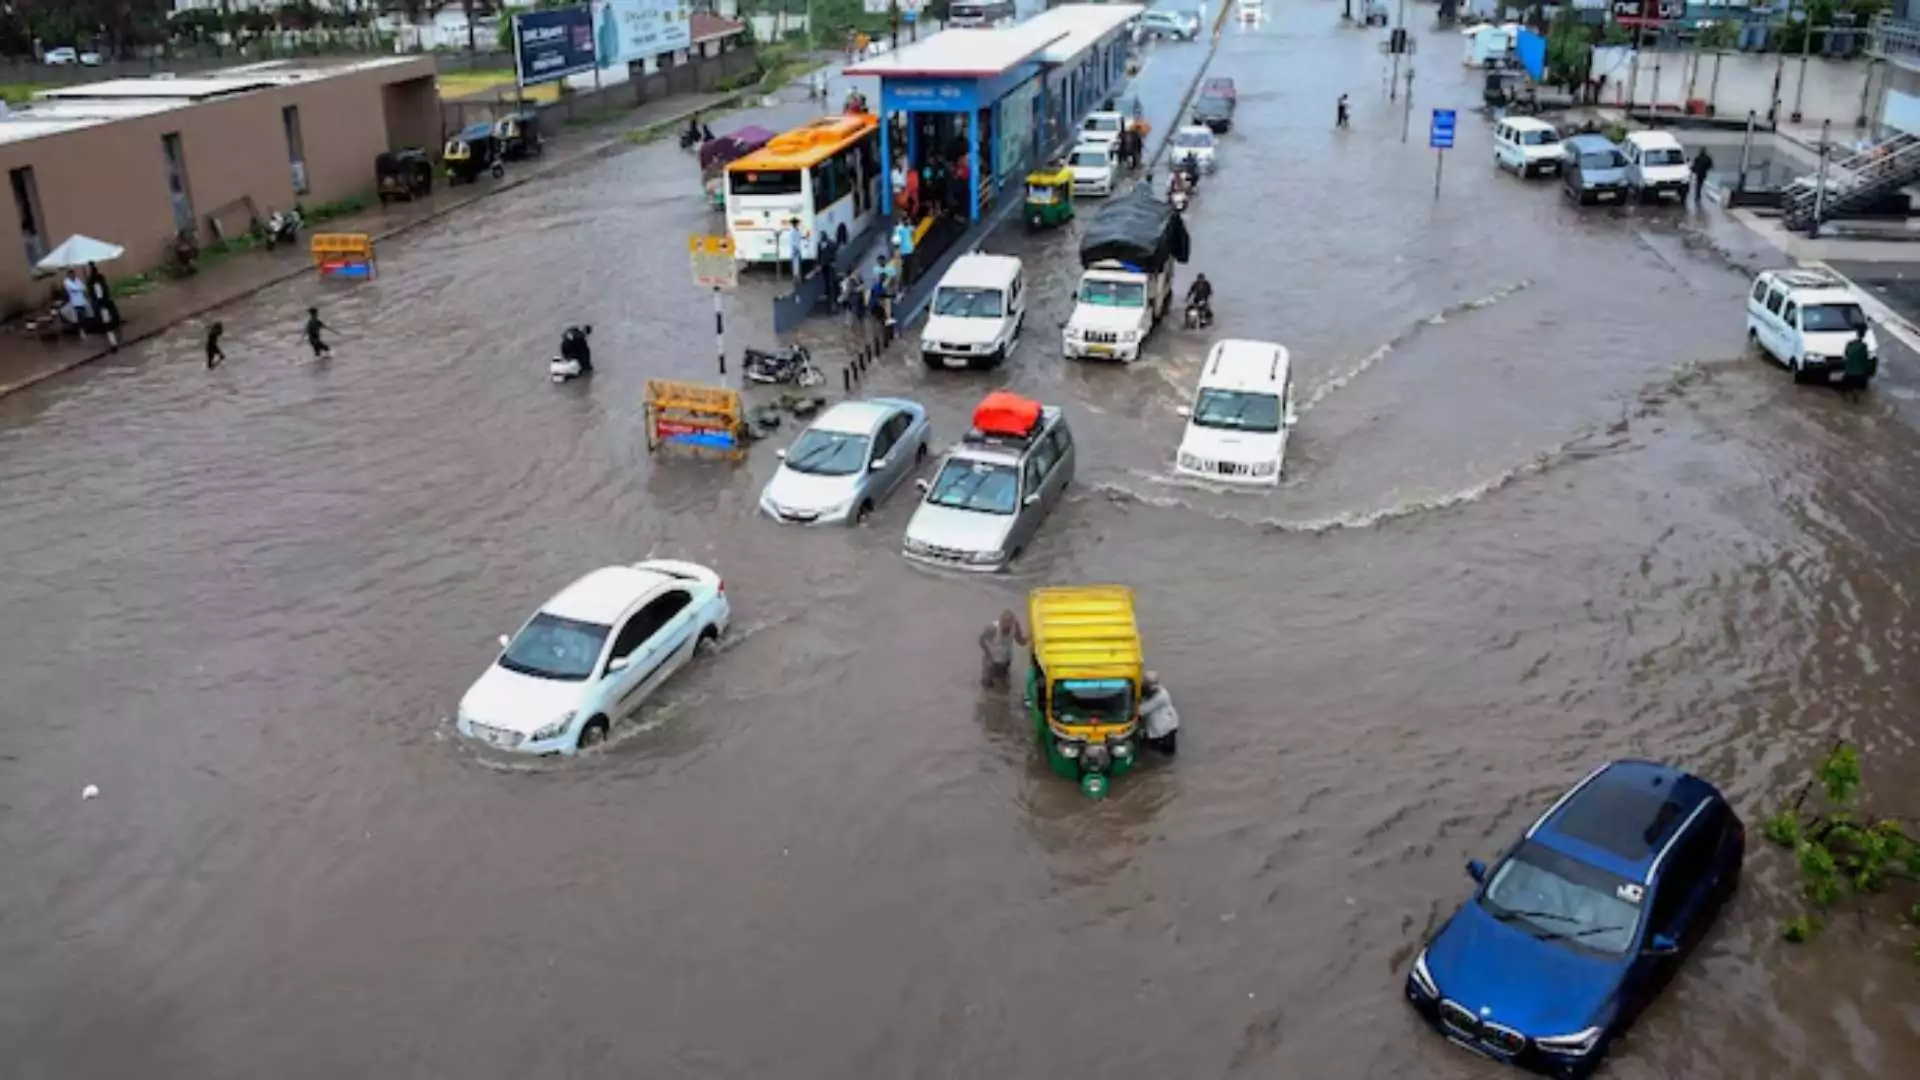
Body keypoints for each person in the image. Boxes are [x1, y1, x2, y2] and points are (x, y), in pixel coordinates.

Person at [979, 610, 1028, 689]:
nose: (1007, 626)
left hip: (1005, 660)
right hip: (991, 661)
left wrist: (1030, 638)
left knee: (1005, 685)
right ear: (1001, 621)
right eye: (1005, 622)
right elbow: (981, 640)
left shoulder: (1015, 627)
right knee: (987, 684)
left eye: (1010, 623)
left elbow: (1020, 642)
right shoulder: (993, 628)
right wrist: (988, 653)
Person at [1139, 671, 1179, 755]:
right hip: (1164, 725)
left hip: (1164, 730)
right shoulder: (1157, 690)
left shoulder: (1160, 697)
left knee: (1165, 753)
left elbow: (1142, 710)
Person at [85, 262, 119, 351]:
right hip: (101, 304)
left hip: (104, 304)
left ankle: (113, 343)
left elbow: (104, 290)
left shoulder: (98, 279)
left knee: (108, 323)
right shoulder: (92, 281)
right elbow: (92, 294)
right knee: (106, 323)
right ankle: (112, 342)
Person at [1842, 325, 1873, 398]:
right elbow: (1865, 359)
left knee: (1846, 390)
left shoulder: (1850, 344)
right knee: (1858, 390)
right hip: (1859, 373)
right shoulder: (1863, 346)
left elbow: (1846, 354)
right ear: (1864, 335)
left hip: (1848, 371)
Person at [61, 269, 90, 336]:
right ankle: (81, 331)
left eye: (74, 274)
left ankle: (84, 330)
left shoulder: (77, 280)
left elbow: (83, 287)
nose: (73, 275)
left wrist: (79, 288)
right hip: (74, 302)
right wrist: (79, 288)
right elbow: (74, 288)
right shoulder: (66, 282)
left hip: (81, 301)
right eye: (71, 274)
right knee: (78, 317)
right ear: (68, 275)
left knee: (83, 316)